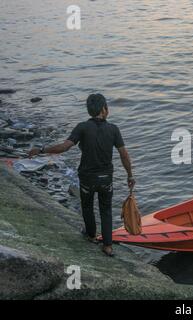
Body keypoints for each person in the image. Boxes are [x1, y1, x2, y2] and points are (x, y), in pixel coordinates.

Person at [28, 93, 135, 257]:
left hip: (87, 178)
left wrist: (41, 150)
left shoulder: (82, 127)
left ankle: (91, 236)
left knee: (87, 206)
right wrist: (130, 175)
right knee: (105, 210)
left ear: (89, 110)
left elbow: (64, 147)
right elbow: (124, 155)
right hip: (106, 178)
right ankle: (108, 246)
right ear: (104, 109)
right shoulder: (113, 129)